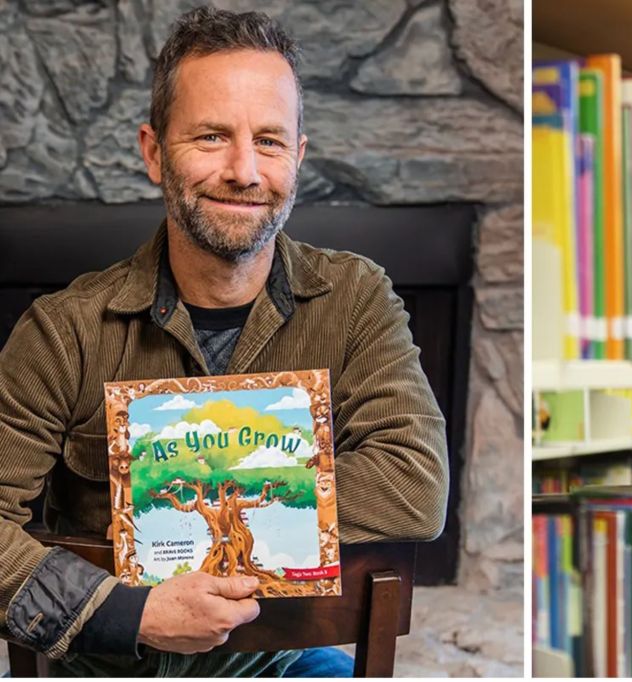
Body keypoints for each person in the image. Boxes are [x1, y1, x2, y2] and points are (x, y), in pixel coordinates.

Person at [0, 6, 448, 677]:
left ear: (296, 158)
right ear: (154, 152)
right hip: (110, 660)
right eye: (211, 137)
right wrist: (134, 613)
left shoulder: (357, 301)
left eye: (269, 141)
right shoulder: (62, 332)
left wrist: (180, 487)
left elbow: (416, 484)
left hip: (284, 657)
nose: (244, 170)